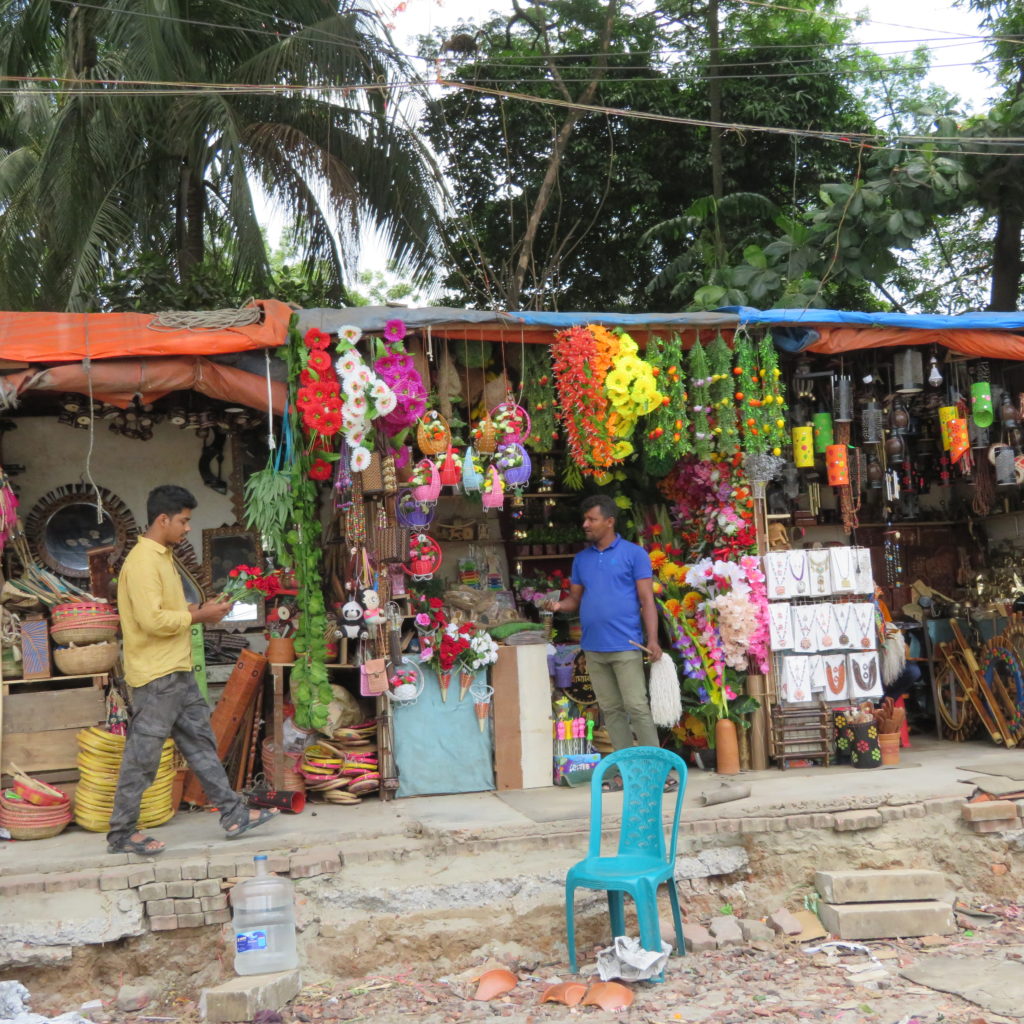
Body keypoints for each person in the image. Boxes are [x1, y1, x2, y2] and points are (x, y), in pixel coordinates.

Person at [106, 485, 279, 856]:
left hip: (177, 671)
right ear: (163, 519)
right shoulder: (142, 562)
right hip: (156, 676)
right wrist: (200, 615)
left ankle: (234, 814)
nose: (187, 528)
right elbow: (152, 621)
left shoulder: (161, 557)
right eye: (183, 521)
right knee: (143, 757)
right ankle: (121, 833)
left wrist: (202, 606)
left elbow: (168, 608)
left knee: (201, 745)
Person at [546, 495, 668, 790]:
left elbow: (646, 601)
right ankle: (627, 772)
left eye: (592, 519)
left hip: (626, 645)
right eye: (585, 519)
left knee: (637, 707)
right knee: (611, 711)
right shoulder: (582, 560)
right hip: (593, 648)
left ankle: (655, 773)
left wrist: (653, 639)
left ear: (609, 521)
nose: (585, 524)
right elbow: (575, 600)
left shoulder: (634, 554)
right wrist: (558, 606)